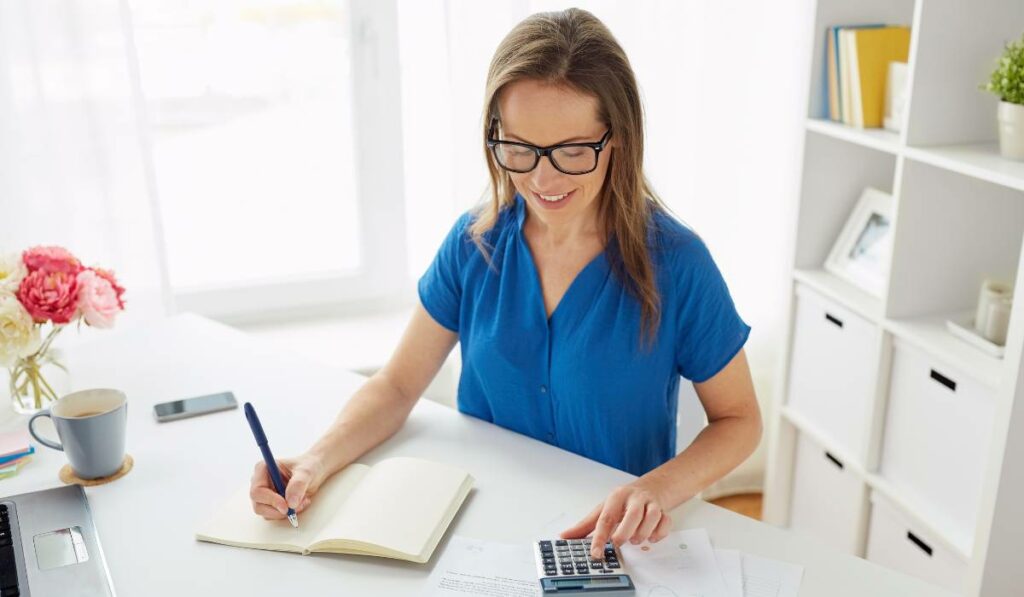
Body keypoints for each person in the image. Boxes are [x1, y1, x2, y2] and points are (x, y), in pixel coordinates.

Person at [249, 7, 761, 561]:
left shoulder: (677, 263)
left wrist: (656, 489)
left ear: (619, 139)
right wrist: (315, 460)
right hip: (476, 537)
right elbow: (397, 386)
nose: (542, 179)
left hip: (610, 546)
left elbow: (739, 421)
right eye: (518, 147)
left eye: (571, 151)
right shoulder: (475, 243)